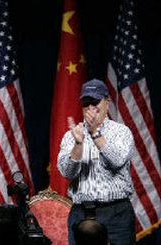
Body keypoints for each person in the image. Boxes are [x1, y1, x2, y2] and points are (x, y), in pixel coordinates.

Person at [57, 79, 136, 244]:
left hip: (116, 214)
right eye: (86, 104)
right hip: (81, 214)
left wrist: (94, 133)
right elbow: (67, 172)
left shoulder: (121, 132)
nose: (91, 109)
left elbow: (117, 160)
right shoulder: (72, 135)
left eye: (95, 102)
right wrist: (78, 144)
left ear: (107, 103)